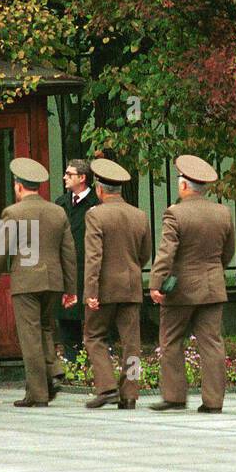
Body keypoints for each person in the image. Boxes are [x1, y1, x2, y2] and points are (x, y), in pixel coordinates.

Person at [0, 157, 77, 407]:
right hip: (53, 282)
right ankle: (53, 373)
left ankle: (37, 393)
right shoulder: (58, 212)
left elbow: (0, 251)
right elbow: (68, 253)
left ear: (18, 186)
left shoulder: (13, 213)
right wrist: (71, 289)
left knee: (30, 336)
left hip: (26, 282)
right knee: (46, 328)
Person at [148, 155, 234, 413]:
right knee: (212, 344)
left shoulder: (175, 213)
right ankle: (213, 401)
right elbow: (228, 252)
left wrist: (156, 283)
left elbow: (166, 253)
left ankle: (174, 396)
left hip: (181, 290)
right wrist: (214, 270)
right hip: (213, 286)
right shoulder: (222, 212)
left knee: (171, 340)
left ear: (184, 186)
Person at [82, 158, 152, 409]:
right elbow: (145, 254)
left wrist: (90, 290)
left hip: (103, 288)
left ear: (100, 190)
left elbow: (93, 256)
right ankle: (130, 393)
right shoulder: (139, 215)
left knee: (93, 336)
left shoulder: (95, 215)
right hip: (131, 286)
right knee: (132, 344)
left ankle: (107, 387)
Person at [54, 158, 96, 371]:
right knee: (67, 320)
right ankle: (73, 366)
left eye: (69, 174)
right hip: (67, 270)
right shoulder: (60, 203)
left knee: (93, 322)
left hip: (89, 270)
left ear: (82, 178)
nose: (64, 177)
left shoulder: (96, 205)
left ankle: (93, 367)